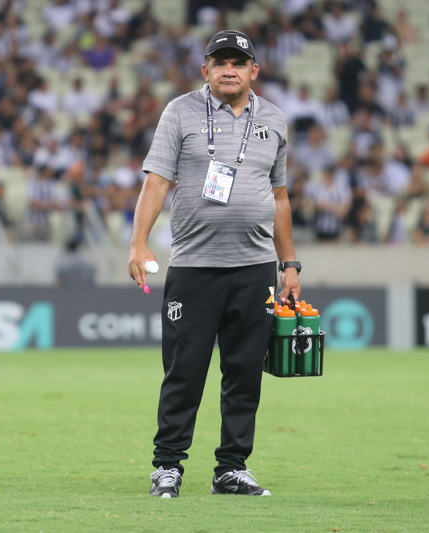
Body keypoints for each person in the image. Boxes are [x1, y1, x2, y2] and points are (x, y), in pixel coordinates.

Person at [128, 30, 300, 499]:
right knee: (184, 372)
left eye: (238, 62)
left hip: (255, 268)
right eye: (220, 62)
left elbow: (280, 196)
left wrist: (290, 264)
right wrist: (139, 243)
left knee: (244, 373)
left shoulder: (275, 120)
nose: (229, 69)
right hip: (195, 266)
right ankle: (167, 466)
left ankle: (232, 468)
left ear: (253, 71)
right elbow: (157, 180)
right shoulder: (180, 111)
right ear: (205, 70)